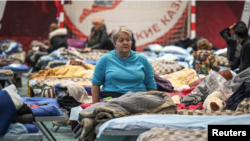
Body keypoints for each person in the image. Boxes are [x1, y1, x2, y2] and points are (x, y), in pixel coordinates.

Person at [91, 26, 157, 103]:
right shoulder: (105, 59)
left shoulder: (142, 59)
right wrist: (94, 105)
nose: (125, 43)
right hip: (113, 99)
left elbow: (150, 84)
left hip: (139, 99)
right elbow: (96, 83)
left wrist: (151, 103)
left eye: (128, 40)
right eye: (121, 40)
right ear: (114, 43)